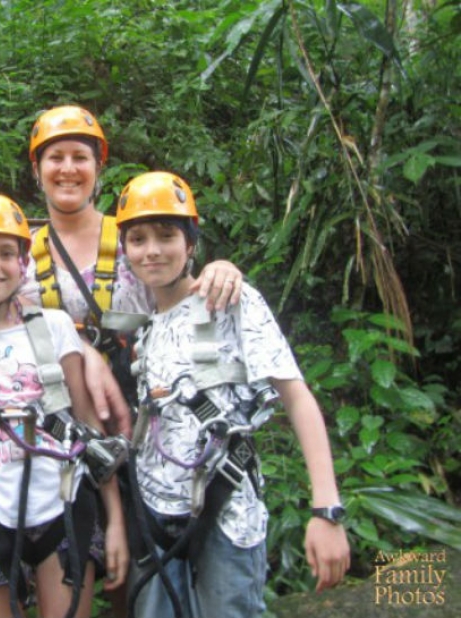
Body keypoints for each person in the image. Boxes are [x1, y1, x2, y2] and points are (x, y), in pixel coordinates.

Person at [115, 171, 350, 618]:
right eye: (138, 239)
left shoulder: (230, 302)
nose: (152, 250)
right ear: (125, 250)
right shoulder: (145, 325)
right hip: (154, 515)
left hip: (225, 514)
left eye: (167, 235)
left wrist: (326, 509)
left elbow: (297, 398)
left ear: (191, 244)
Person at [0, 194, 129, 618]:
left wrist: (116, 524)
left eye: (5, 253)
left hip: (64, 506)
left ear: (23, 262)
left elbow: (90, 430)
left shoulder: (53, 329)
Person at [20, 104, 244, 438]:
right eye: (56, 158)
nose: (68, 168)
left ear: (99, 167)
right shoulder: (17, 255)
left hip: (141, 417)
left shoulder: (136, 241)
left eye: (80, 157)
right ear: (37, 169)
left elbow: (186, 296)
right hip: (49, 428)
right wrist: (81, 347)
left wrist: (222, 269)